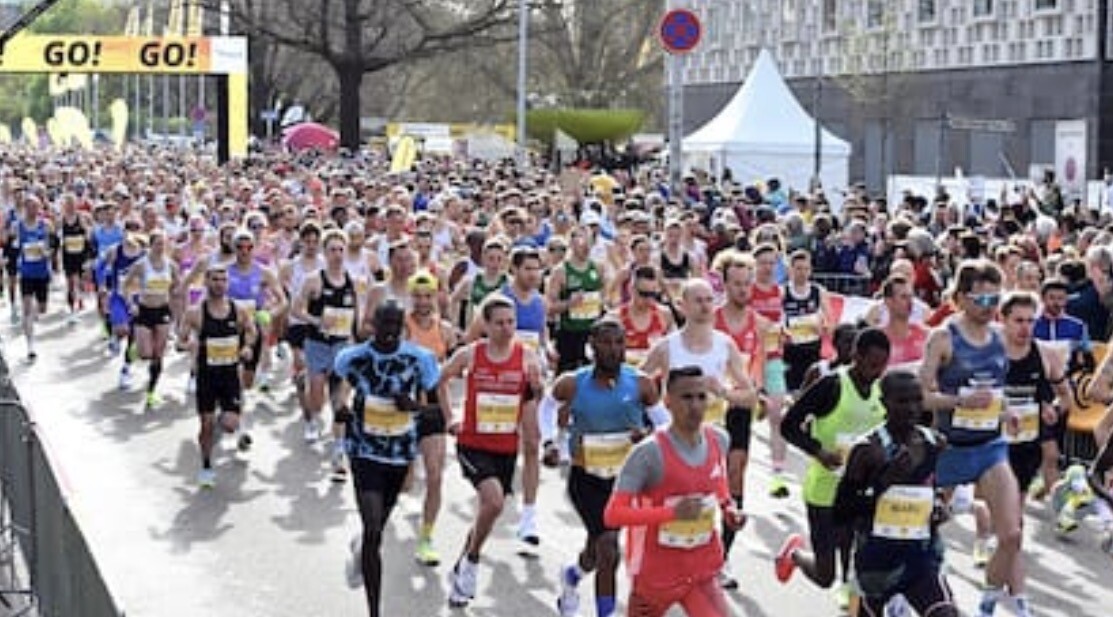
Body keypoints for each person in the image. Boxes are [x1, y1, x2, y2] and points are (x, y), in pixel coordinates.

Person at [918, 260, 1031, 617]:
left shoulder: (1000, 335)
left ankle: (990, 599)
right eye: (981, 299)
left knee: (1011, 535)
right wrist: (959, 402)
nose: (988, 307)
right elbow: (921, 396)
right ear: (961, 298)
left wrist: (1007, 411)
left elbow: (996, 389)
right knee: (922, 533)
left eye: (994, 299)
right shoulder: (943, 338)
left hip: (989, 447)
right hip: (948, 448)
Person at [641, 278, 758, 588]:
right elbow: (637, 384)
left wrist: (724, 392)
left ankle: (721, 561)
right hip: (672, 437)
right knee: (673, 499)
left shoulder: (724, 344)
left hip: (713, 434)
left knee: (721, 495)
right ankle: (664, 562)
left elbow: (750, 395)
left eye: (709, 300)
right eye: (699, 300)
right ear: (683, 305)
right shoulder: (667, 347)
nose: (706, 306)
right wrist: (650, 413)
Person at [602, 365, 745, 617]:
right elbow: (613, 515)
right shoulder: (648, 453)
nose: (695, 406)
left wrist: (728, 508)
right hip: (656, 576)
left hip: (701, 569)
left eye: (701, 397)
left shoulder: (719, 440)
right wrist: (671, 513)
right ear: (667, 402)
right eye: (686, 397)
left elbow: (716, 482)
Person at [333, 301, 441, 617]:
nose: (390, 331)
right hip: (363, 451)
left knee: (377, 527)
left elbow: (436, 413)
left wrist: (414, 407)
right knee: (373, 528)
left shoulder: (420, 360)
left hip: (398, 455)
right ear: (373, 325)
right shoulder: (353, 358)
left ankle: (361, 547)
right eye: (385, 324)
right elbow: (338, 393)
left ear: (403, 326)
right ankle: (374, 610)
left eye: (396, 325)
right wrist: (340, 409)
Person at [439, 294, 544, 608]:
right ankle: (472, 561)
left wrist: (538, 391)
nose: (507, 328)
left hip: (505, 448)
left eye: (511, 322)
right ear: (485, 325)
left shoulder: (526, 357)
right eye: (499, 323)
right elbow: (440, 380)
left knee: (488, 511)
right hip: (473, 444)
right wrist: (450, 417)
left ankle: (461, 568)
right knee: (494, 502)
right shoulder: (471, 354)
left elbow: (533, 400)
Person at [777, 328, 891, 611]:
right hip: (824, 488)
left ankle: (850, 592)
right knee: (824, 576)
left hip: (860, 489)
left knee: (855, 551)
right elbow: (788, 426)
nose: (876, 372)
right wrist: (819, 451)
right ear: (855, 355)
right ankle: (795, 555)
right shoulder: (832, 385)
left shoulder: (881, 390)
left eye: (882, 366)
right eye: (871, 364)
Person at [553, 319, 660, 617]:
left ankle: (573, 575)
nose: (613, 349)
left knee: (599, 547)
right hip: (586, 479)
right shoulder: (572, 383)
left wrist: (647, 435)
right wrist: (552, 443)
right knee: (609, 546)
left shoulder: (641, 384)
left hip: (623, 481)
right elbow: (547, 409)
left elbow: (664, 426)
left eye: (619, 343)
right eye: (606, 342)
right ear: (592, 346)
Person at [833, 371, 958, 617]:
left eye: (917, 400)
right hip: (877, 563)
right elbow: (841, 511)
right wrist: (884, 482)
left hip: (922, 558)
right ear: (884, 403)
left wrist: (939, 508)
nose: (911, 408)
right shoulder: (867, 450)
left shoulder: (934, 443)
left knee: (945, 614)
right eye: (902, 401)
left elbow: (933, 491)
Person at [176, 262, 258, 487]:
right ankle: (206, 465)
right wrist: (189, 345)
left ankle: (228, 422)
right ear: (206, 282)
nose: (219, 284)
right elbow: (179, 341)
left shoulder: (238, 309)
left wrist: (247, 347)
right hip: (206, 376)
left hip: (230, 375)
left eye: (223, 280)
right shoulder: (195, 312)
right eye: (214, 279)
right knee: (206, 426)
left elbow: (251, 331)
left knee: (229, 424)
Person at [292, 228, 359, 481]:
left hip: (342, 346)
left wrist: (356, 341)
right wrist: (316, 320)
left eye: (341, 249)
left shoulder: (351, 280)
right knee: (318, 401)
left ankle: (338, 451)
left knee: (340, 401)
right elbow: (295, 309)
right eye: (332, 250)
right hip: (317, 344)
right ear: (325, 252)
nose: (337, 254)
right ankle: (309, 409)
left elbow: (356, 314)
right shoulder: (314, 280)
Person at [402, 270, 458, 566]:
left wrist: (450, 416)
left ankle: (426, 538)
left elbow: (446, 377)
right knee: (404, 481)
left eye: (428, 296)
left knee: (435, 475)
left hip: (433, 406)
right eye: (417, 296)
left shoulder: (445, 331)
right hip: (404, 406)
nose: (423, 302)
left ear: (436, 296)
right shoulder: (402, 326)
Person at [121, 230, 180, 410]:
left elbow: (177, 287)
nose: (161, 247)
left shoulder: (171, 265)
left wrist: (176, 309)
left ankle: (151, 392)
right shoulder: (141, 265)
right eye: (158, 244)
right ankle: (134, 350)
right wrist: (131, 303)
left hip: (162, 311)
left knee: (158, 355)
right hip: (144, 311)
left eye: (164, 244)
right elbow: (125, 285)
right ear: (151, 245)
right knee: (145, 354)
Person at [9, 196, 54, 361]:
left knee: (42, 309)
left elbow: (52, 247)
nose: (32, 210)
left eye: (35, 206)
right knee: (27, 309)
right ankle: (30, 346)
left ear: (39, 207)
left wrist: (46, 252)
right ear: (24, 208)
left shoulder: (46, 225)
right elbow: (12, 247)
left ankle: (34, 312)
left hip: (42, 272)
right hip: (26, 273)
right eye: (29, 207)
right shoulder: (17, 226)